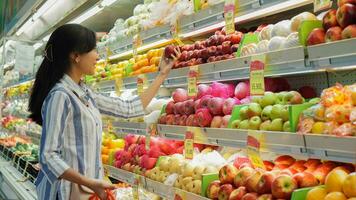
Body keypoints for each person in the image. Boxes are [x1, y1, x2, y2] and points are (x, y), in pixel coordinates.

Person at [28, 24, 178, 200]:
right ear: (76, 55)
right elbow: (47, 156)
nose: (97, 56)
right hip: (65, 193)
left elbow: (129, 108)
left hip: (86, 191)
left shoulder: (84, 92)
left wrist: (161, 74)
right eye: (93, 50)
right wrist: (89, 182)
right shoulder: (61, 96)